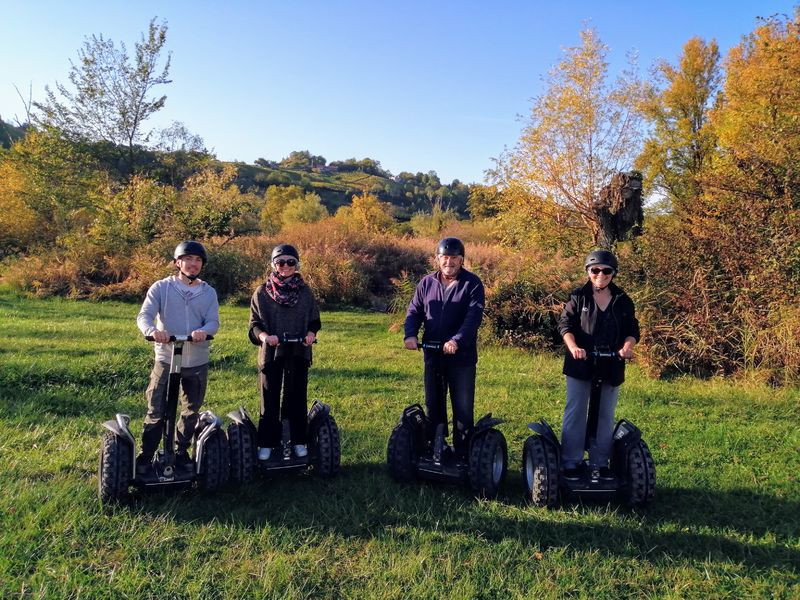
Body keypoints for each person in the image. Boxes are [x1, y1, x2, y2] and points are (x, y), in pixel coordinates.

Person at [135, 240, 220, 476]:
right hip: (165, 358)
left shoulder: (208, 292)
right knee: (156, 409)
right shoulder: (161, 288)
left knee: (190, 410)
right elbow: (145, 315)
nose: (193, 264)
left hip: (196, 359)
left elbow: (213, 321)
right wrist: (152, 332)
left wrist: (204, 331)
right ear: (177, 262)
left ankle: (181, 452)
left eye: (198, 260)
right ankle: (147, 454)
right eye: (188, 259)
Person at [557, 249, 640, 480]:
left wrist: (627, 347)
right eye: (595, 270)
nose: (600, 275)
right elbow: (565, 325)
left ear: (613, 273)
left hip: (611, 363)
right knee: (576, 411)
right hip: (580, 362)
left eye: (606, 271)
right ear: (588, 271)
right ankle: (571, 462)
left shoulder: (623, 300)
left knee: (605, 414)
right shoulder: (577, 297)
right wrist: (573, 347)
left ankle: (600, 463)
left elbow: (632, 330)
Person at [403, 237, 485, 457]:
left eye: (454, 258)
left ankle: (463, 453)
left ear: (461, 260)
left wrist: (456, 340)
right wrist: (410, 334)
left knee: (463, 408)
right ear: (437, 259)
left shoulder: (472, 284)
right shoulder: (426, 283)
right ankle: (436, 446)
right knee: (434, 404)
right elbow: (415, 310)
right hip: (433, 353)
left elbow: (473, 318)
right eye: (444, 257)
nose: (449, 262)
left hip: (461, 357)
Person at [249, 243, 321, 460]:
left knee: (297, 396)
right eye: (280, 262)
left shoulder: (305, 292)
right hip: (272, 352)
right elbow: (254, 325)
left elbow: (314, 321)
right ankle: (267, 442)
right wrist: (264, 337)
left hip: (299, 350)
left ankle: (298, 440)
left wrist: (310, 334)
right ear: (273, 265)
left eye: (290, 262)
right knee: (269, 396)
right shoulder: (262, 292)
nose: (285, 266)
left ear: (296, 265)